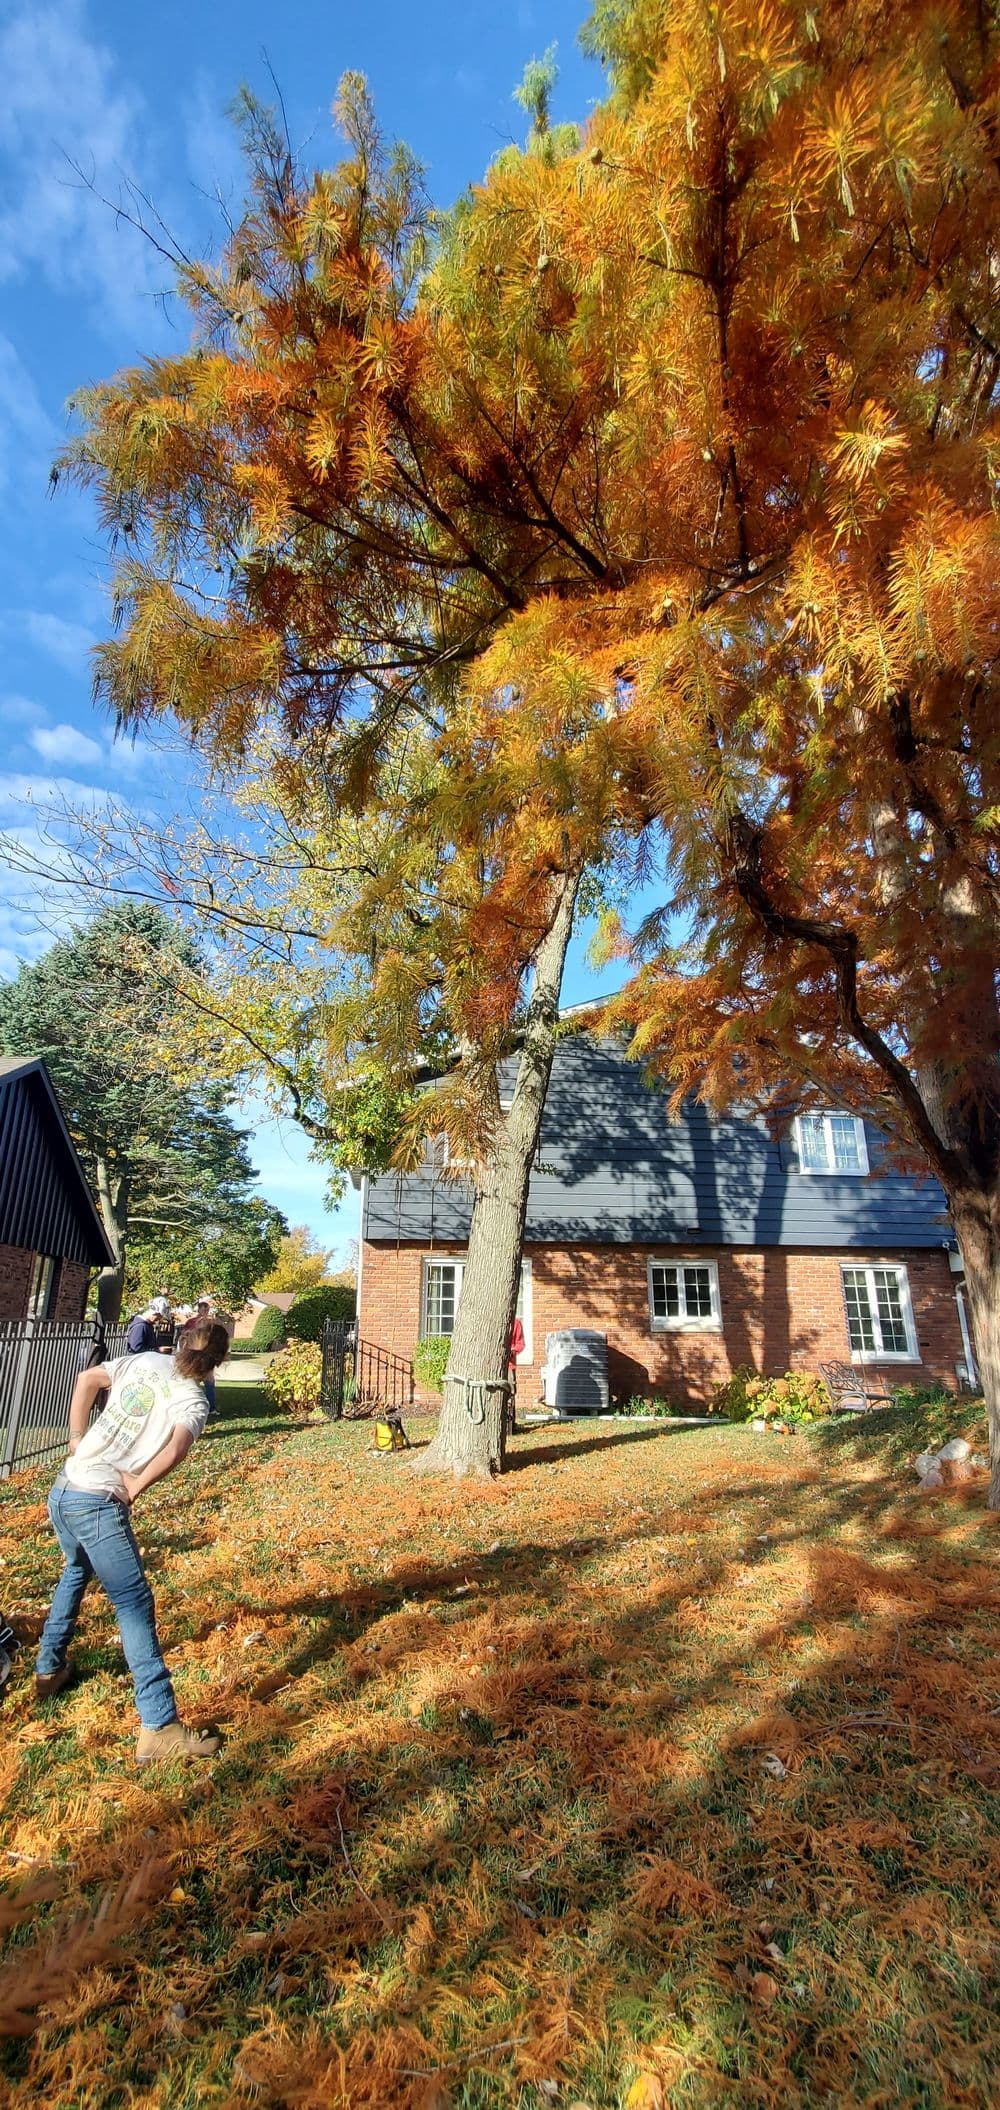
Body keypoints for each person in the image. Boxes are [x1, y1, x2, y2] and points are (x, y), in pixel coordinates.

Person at [34, 1320, 230, 1764]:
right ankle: (160, 1726)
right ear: (218, 1361)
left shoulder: (143, 1360)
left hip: (64, 1489)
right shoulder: (194, 1400)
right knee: (134, 1602)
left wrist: (76, 1439)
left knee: (76, 1570)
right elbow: (176, 1450)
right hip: (97, 1502)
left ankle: (49, 1669)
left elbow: (88, 1379)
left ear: (178, 1343)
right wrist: (135, 1486)